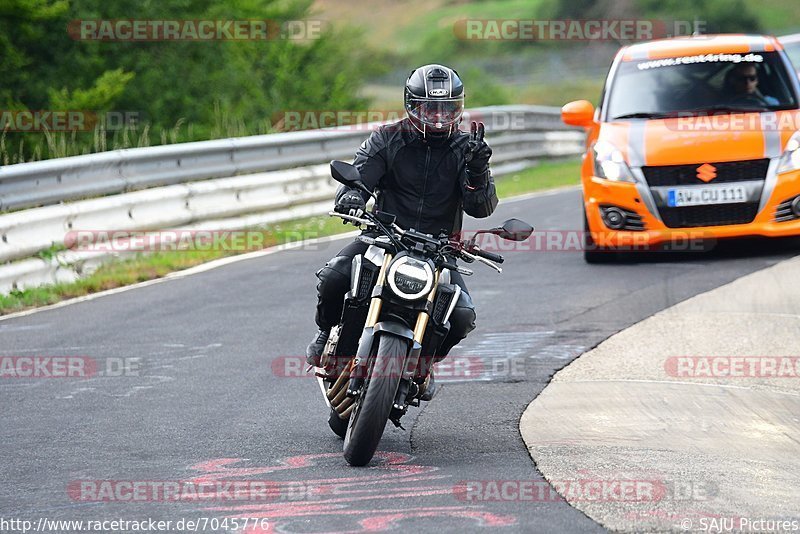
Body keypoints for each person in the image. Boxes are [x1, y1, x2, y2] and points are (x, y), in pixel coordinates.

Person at [306, 63, 498, 371]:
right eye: (429, 107)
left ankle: (422, 365)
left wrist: (477, 170)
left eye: (446, 109)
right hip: (384, 238)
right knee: (334, 277)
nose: (438, 116)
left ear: (459, 108)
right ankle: (325, 332)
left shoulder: (468, 149)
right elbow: (359, 176)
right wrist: (352, 197)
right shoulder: (386, 138)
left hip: (440, 251)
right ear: (411, 105)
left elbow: (481, 208)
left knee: (462, 316)